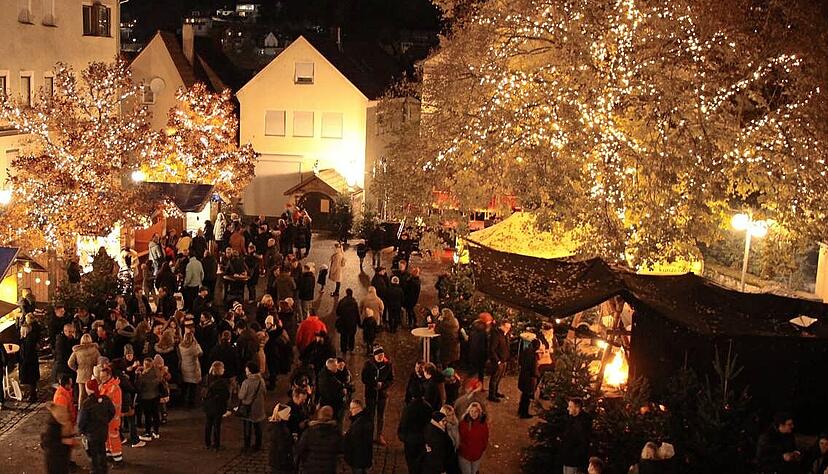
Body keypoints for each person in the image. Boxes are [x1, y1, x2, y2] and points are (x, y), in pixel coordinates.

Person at [78, 379, 115, 474]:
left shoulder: (87, 403)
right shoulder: (105, 399)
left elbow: (82, 420)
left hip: (91, 434)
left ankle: (96, 471)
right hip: (103, 431)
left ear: (88, 389)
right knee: (102, 451)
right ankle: (103, 470)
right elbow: (112, 411)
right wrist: (106, 421)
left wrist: (81, 430)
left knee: (94, 455)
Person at [295, 405, 343, 473]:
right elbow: (341, 449)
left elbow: (300, 449)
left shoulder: (309, 431)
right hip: (329, 468)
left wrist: (306, 461)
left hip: (311, 468)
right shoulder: (335, 432)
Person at [362, 346, 394, 446]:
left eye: (382, 355)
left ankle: (379, 435)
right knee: (370, 415)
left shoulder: (388, 365)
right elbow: (364, 378)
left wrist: (383, 385)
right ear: (374, 356)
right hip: (371, 394)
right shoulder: (368, 364)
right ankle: (369, 435)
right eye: (378, 355)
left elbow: (391, 379)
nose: (380, 357)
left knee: (380, 416)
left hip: (382, 395)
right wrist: (374, 383)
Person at [399, 393, 433, 474]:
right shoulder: (427, 407)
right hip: (422, 440)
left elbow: (403, 423)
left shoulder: (408, 408)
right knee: (420, 463)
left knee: (411, 463)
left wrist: (402, 436)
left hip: (410, 440)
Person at [95, 366, 123, 466]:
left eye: (103, 377)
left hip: (113, 418)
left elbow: (109, 403)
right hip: (106, 418)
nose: (101, 378)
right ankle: (109, 455)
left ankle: (118, 459)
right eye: (100, 376)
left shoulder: (114, 388)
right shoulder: (104, 385)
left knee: (114, 437)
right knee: (107, 437)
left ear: (109, 376)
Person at [238, 361, 266, 452]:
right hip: (259, 407)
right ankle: (258, 445)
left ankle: (247, 446)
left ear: (250, 371)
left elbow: (241, 396)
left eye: (247, 370)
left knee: (247, 428)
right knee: (258, 427)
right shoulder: (261, 381)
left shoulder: (246, 383)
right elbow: (264, 392)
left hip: (248, 408)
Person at [42, 402, 76, 474]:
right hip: (54, 459)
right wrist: (64, 441)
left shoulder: (63, 424)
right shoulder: (51, 428)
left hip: (62, 458)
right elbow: (47, 443)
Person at [203, 361, 230, 451]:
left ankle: (207, 443)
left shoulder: (207, 378)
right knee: (216, 425)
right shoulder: (221, 382)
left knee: (208, 424)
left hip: (207, 405)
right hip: (217, 406)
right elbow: (226, 395)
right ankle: (216, 444)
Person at [68, 333, 101, 406]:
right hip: (93, 375)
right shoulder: (95, 350)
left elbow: (70, 363)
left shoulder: (77, 351)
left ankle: (81, 410)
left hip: (81, 375)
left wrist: (76, 369)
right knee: (92, 394)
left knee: (82, 395)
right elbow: (99, 361)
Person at [561, 398, 592, 474]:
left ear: (577, 408)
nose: (568, 409)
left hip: (573, 461)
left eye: (570, 407)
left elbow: (583, 443)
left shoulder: (582, 424)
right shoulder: (572, 418)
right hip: (567, 457)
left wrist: (574, 456)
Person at [458, 402, 489, 474]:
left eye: (476, 411)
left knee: (474, 472)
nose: (473, 413)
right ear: (468, 411)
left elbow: (485, 437)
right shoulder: (463, 423)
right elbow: (459, 438)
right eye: (471, 411)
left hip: (477, 455)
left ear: (479, 412)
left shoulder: (483, 424)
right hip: (465, 455)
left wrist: (482, 448)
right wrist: (463, 448)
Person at [344, 399, 374, 474]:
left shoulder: (357, 425)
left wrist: (347, 435)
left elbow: (353, 442)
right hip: (366, 458)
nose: (350, 410)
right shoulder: (367, 420)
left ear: (358, 408)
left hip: (357, 460)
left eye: (352, 408)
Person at [136, 358, 162, 442]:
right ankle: (156, 432)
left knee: (148, 416)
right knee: (155, 414)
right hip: (156, 395)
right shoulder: (157, 372)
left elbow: (138, 387)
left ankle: (148, 433)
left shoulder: (143, 376)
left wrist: (138, 374)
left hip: (146, 397)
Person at [317, 358, 346, 427]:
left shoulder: (325, 373)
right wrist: (342, 393)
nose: (337, 367)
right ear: (330, 367)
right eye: (335, 366)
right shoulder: (328, 380)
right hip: (333, 405)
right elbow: (332, 394)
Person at [487, 320, 511, 402]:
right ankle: (491, 395)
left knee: (499, 378)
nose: (508, 329)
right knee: (494, 378)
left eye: (509, 328)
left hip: (504, 360)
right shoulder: (496, 335)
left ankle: (495, 392)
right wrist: (497, 361)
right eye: (506, 327)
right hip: (498, 361)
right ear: (501, 326)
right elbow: (492, 349)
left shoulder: (505, 334)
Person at [268, 403, 295, 473]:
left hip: (276, 461)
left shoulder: (279, 425)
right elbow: (282, 447)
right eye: (288, 413)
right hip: (280, 463)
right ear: (282, 415)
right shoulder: (280, 429)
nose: (289, 415)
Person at [178, 332, 203, 407]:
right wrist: (197, 344)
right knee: (193, 387)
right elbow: (200, 353)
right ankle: (191, 402)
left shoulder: (180, 346)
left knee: (185, 386)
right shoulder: (194, 347)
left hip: (184, 367)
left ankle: (182, 401)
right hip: (193, 368)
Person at [518, 338, 541, 418]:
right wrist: (538, 375)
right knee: (526, 397)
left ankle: (520, 410)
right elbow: (534, 370)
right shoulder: (533, 356)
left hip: (523, 376)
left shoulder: (526, 351)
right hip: (529, 379)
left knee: (524, 396)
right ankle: (524, 413)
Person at [468, 313, 493, 384]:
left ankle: (472, 385)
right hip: (480, 354)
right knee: (479, 371)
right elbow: (484, 344)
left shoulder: (474, 328)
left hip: (473, 353)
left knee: (474, 371)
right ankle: (479, 385)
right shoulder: (483, 331)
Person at [335, 288, 360, 355]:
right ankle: (351, 349)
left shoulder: (342, 301)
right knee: (351, 336)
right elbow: (357, 314)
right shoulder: (354, 303)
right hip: (352, 323)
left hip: (343, 323)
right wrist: (359, 323)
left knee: (343, 336)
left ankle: (343, 350)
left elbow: (337, 312)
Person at [19, 323, 40, 402]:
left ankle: (32, 396)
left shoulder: (28, 340)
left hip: (29, 364)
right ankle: (32, 395)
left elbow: (27, 354)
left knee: (31, 380)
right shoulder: (30, 338)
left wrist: (23, 364)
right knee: (32, 381)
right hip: (32, 363)